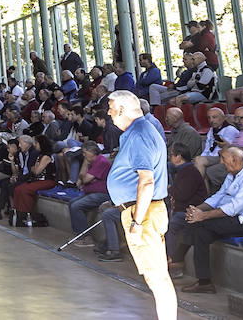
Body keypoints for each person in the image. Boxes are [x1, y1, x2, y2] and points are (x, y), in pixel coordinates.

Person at [105, 90, 175, 320]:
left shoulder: (139, 135)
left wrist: (136, 222)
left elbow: (146, 181)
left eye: (111, 107)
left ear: (123, 109)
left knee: (157, 277)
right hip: (139, 210)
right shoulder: (135, 132)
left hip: (142, 212)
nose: (109, 112)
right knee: (154, 276)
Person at [170, 146, 243, 293]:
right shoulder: (232, 175)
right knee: (199, 231)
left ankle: (178, 259)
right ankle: (204, 283)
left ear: (235, 160)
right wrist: (198, 209)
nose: (221, 162)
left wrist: (202, 215)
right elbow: (218, 197)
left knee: (200, 224)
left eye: (223, 158)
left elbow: (234, 208)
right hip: (233, 219)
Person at [162, 141, 207, 276]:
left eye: (171, 155)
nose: (170, 158)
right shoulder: (182, 171)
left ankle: (175, 264)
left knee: (171, 226)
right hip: (180, 209)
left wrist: (170, 189)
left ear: (178, 157)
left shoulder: (190, 172)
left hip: (191, 211)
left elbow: (182, 194)